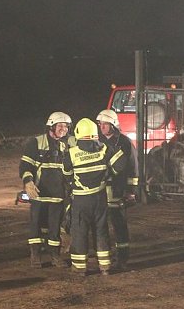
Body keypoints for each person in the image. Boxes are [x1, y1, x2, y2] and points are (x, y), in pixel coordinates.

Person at [64, 118, 125, 276]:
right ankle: (105, 266)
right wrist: (109, 173)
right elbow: (120, 165)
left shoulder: (71, 153)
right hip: (100, 198)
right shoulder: (104, 149)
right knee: (101, 230)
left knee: (80, 232)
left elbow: (66, 174)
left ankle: (80, 268)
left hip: (81, 200)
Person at [19, 112, 72, 267]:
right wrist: (28, 182)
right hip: (39, 193)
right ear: (51, 126)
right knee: (36, 226)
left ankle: (55, 256)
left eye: (66, 126)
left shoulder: (68, 144)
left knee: (55, 228)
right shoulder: (35, 143)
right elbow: (25, 165)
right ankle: (35, 255)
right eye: (60, 126)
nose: (63, 129)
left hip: (58, 195)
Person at [96, 109, 138, 269]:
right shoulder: (97, 141)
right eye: (100, 124)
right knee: (101, 226)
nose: (102, 127)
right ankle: (105, 256)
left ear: (113, 125)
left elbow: (133, 167)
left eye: (105, 124)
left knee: (119, 225)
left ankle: (122, 258)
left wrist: (131, 191)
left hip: (117, 190)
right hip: (100, 191)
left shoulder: (125, 143)